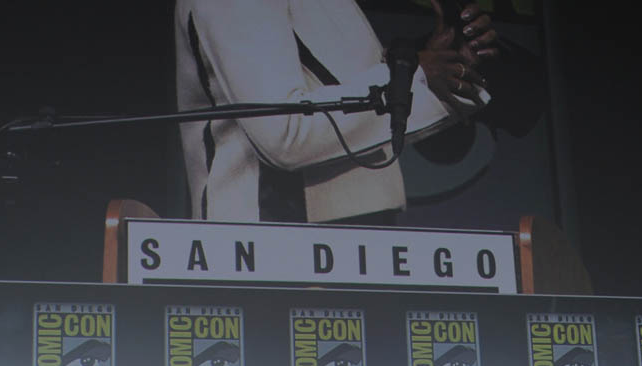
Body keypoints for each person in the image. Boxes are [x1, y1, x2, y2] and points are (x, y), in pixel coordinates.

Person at [175, 0, 499, 223]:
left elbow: (356, 112)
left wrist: (449, 69)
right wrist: (415, 77)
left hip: (351, 242)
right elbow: (285, 134)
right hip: (271, 246)